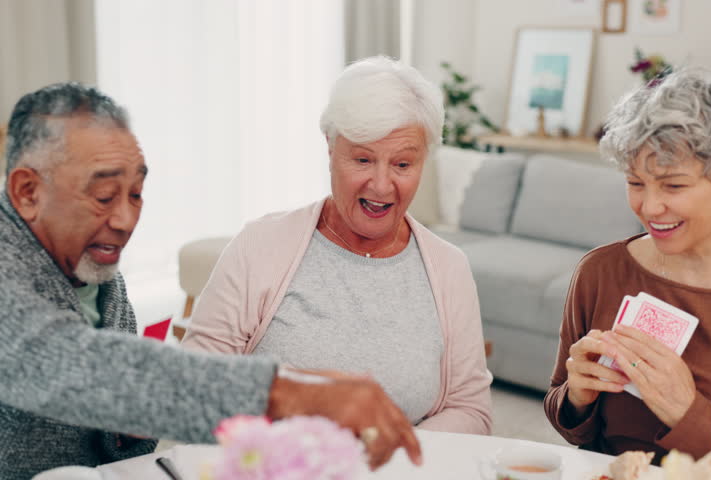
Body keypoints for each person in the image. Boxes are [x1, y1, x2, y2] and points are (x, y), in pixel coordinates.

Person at [0, 83, 421, 478]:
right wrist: (289, 390)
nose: (124, 220)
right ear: (26, 192)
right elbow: (73, 369)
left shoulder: (97, 274)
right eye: (101, 195)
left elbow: (123, 434)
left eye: (136, 193)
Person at [181, 56, 493, 434]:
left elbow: (470, 409)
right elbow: (193, 387)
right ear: (330, 148)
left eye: (402, 165)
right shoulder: (260, 246)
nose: (381, 185)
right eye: (363, 159)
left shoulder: (449, 268)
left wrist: (392, 457)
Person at [544, 68, 711, 461]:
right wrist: (577, 397)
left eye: (674, 185)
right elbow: (565, 417)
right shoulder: (600, 272)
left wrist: (688, 414)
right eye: (635, 182)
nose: (650, 207)